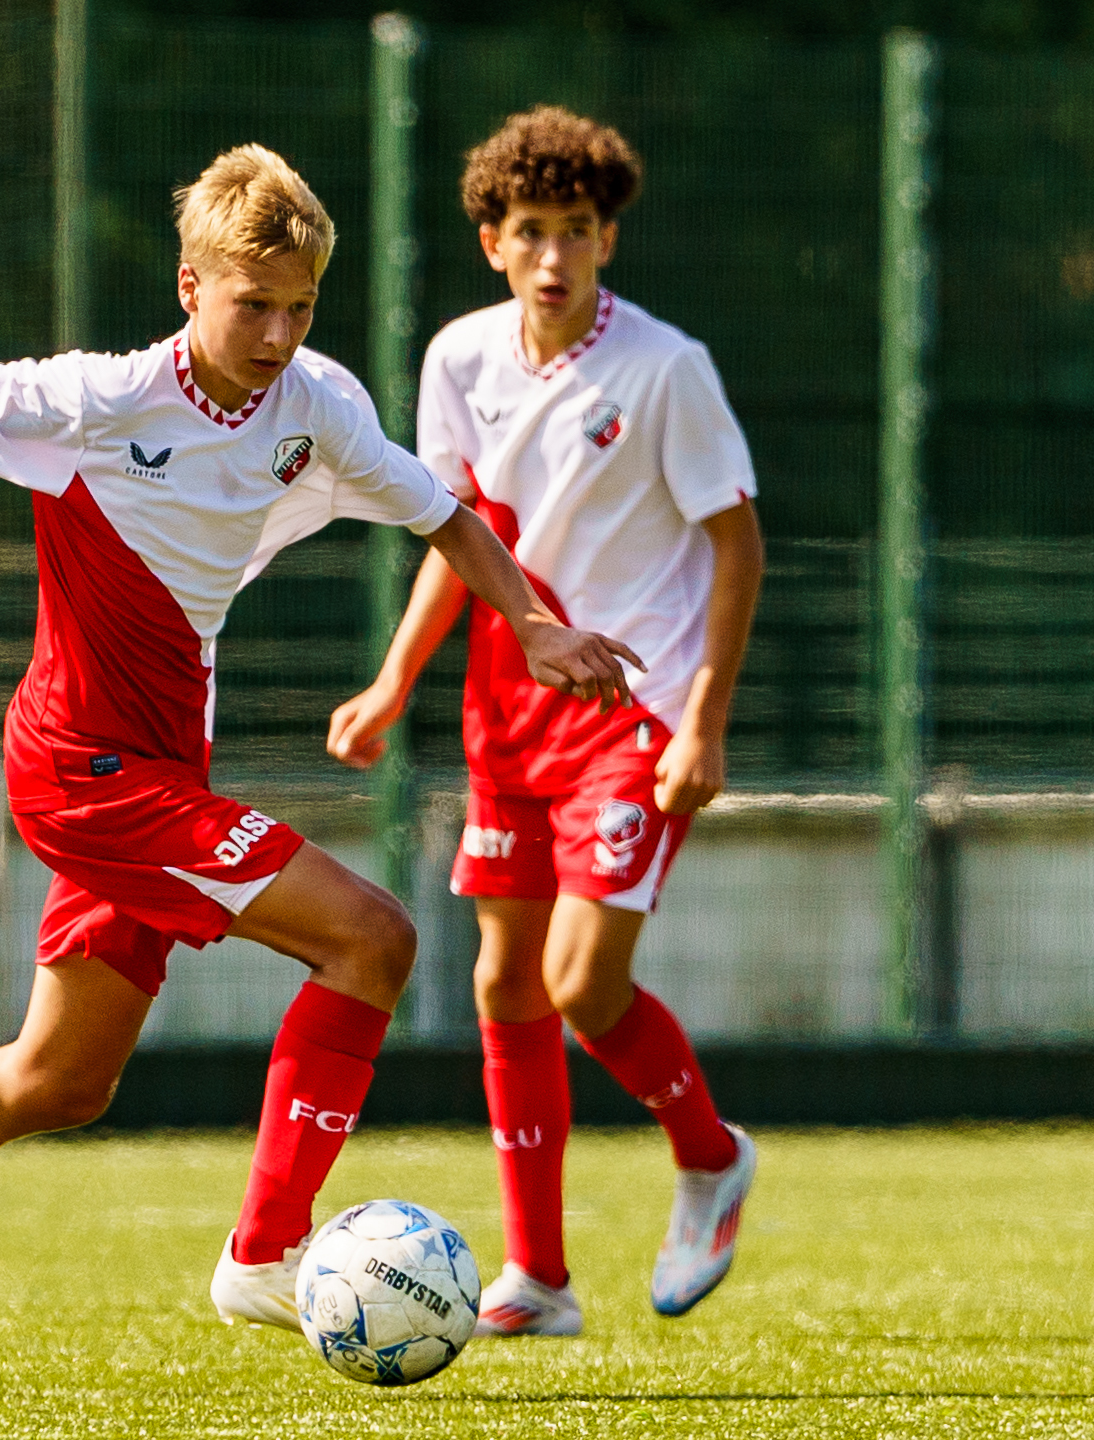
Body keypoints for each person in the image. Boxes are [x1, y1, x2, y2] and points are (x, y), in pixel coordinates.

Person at [0, 143, 639, 1369]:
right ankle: (263, 1252)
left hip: (160, 771)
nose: (278, 332)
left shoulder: (317, 405)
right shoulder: (98, 395)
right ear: (190, 285)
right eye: (254, 304)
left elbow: (446, 515)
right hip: (80, 771)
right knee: (374, 938)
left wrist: (529, 619)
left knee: (58, 1080)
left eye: (300, 306)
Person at [327, 106, 762, 1336]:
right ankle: (541, 1277)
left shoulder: (665, 370)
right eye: (531, 232)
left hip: (633, 706)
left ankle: (708, 1151)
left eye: (578, 231)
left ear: (607, 240)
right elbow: (461, 537)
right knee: (506, 982)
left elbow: (735, 545)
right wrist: (394, 683)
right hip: (505, 713)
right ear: (492, 243)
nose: (555, 256)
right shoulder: (460, 359)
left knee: (579, 980)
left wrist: (704, 728)